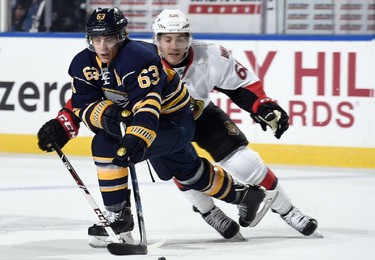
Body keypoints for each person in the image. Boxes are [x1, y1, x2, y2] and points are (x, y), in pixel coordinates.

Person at [37, 7, 276, 247]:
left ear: (121, 36)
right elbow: (83, 101)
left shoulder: (139, 58)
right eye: (97, 40)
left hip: (173, 121)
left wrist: (136, 137)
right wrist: (64, 123)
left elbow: (148, 104)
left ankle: (118, 216)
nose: (103, 47)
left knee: (107, 143)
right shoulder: (83, 63)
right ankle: (244, 195)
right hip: (143, 122)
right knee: (187, 171)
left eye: (109, 39)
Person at [151, 9, 318, 237]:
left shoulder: (210, 55)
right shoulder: (142, 62)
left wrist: (262, 106)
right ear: (157, 40)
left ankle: (288, 211)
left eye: (181, 38)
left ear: (190, 38)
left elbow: (241, 86)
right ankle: (208, 211)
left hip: (201, 115)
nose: (174, 46)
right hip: (166, 125)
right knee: (183, 169)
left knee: (246, 163)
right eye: (167, 39)